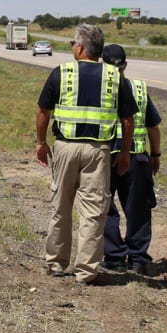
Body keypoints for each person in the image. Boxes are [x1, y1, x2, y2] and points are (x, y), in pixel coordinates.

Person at [36, 24, 138, 285]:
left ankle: (56, 263)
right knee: (94, 210)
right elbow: (128, 120)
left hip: (66, 147)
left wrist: (40, 142)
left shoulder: (62, 72)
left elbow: (43, 111)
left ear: (80, 47)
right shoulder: (116, 77)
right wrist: (125, 152)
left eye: (73, 43)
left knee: (61, 205)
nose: (72, 46)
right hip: (99, 151)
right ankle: (87, 271)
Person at [100, 44, 162, 276]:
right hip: (137, 157)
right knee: (138, 208)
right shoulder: (138, 88)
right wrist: (155, 154)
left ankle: (114, 256)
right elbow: (153, 127)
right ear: (125, 65)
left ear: (101, 64)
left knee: (105, 206)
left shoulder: (98, 87)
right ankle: (138, 258)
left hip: (105, 156)